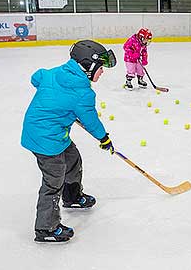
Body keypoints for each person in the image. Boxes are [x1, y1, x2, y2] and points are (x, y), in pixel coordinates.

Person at [21, 40, 117, 243]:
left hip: (49, 133)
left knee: (73, 159)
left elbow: (36, 77)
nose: (102, 72)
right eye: (100, 68)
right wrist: (104, 138)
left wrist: (56, 102)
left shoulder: (54, 73)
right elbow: (90, 120)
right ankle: (46, 228)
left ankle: (72, 197)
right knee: (53, 181)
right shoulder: (82, 93)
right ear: (88, 67)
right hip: (46, 139)